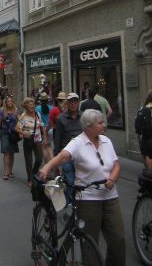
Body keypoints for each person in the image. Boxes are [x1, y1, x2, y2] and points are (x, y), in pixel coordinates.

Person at [39, 109, 126, 266]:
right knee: (90, 242)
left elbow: (116, 165)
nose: (104, 125)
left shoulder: (106, 141)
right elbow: (63, 156)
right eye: (100, 123)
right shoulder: (78, 142)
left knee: (118, 239)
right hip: (88, 199)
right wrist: (47, 167)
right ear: (88, 126)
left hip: (110, 196)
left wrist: (112, 178)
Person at [54, 93, 82, 201]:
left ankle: (78, 202)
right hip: (67, 154)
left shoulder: (83, 116)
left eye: (75, 101)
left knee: (80, 181)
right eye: (71, 101)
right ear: (67, 103)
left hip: (80, 154)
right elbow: (58, 137)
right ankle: (69, 203)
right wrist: (57, 156)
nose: (73, 104)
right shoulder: (61, 118)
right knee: (70, 180)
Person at [16, 97, 48, 187]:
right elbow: (16, 128)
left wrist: (45, 137)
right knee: (29, 160)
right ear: (26, 106)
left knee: (39, 159)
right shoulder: (23, 116)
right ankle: (30, 178)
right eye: (30, 105)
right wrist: (23, 133)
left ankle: (33, 173)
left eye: (33, 105)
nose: (32, 107)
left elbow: (42, 126)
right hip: (28, 139)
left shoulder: (37, 114)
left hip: (38, 139)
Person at [0, 96, 20, 180]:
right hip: (4, 133)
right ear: (6, 103)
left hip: (13, 133)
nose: (10, 103)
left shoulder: (16, 110)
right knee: (6, 152)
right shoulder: (2, 111)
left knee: (12, 152)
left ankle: (10, 171)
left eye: (11, 101)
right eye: (8, 101)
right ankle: (6, 171)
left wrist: (20, 131)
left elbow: (19, 121)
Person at [137, 90, 152, 169]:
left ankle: (148, 172)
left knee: (146, 154)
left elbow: (137, 125)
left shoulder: (142, 108)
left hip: (144, 137)